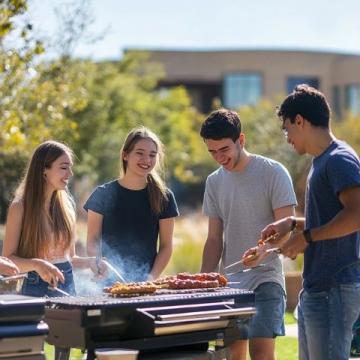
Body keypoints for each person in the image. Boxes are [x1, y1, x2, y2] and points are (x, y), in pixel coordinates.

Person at [260, 84, 360, 360]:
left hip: (334, 288)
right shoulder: (322, 161)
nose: (287, 138)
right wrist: (293, 223)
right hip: (319, 288)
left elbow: (356, 215)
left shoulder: (339, 159)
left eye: (287, 129)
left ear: (300, 121)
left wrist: (308, 237)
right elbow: (333, 217)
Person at [199, 109, 297, 360]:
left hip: (266, 278)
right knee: (232, 356)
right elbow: (213, 240)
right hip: (230, 284)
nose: (219, 157)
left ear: (241, 140)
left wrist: (265, 250)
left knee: (262, 355)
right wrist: (203, 281)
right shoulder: (213, 182)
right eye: (212, 152)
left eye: (224, 149)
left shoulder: (273, 172)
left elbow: (288, 228)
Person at [85, 126, 179, 283]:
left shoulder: (165, 197)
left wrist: (149, 279)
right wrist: (100, 268)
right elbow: (92, 240)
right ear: (125, 155)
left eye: (152, 155)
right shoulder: (102, 194)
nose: (147, 160)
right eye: (140, 153)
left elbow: (166, 246)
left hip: (146, 284)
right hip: (108, 283)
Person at [3, 140, 95, 297]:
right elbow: (7, 260)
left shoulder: (67, 207)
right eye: (64, 167)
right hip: (33, 288)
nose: (70, 173)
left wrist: (93, 262)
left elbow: (70, 258)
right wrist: (37, 264)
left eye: (70, 167)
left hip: (67, 286)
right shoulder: (20, 207)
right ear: (44, 170)